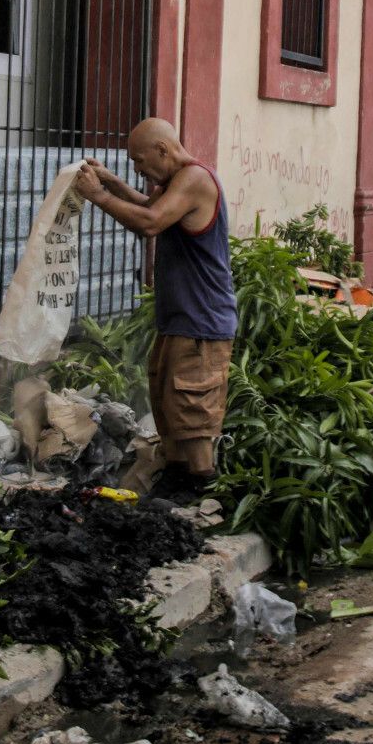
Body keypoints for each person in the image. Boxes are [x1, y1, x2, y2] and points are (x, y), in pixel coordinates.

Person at [73, 117, 236, 500]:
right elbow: (152, 206)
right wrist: (112, 182)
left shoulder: (196, 178)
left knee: (192, 410)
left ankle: (202, 486)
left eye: (140, 161)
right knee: (169, 403)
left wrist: (100, 197)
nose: (139, 169)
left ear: (163, 150)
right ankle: (179, 478)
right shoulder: (176, 182)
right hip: (181, 318)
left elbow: (150, 221)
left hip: (201, 321)